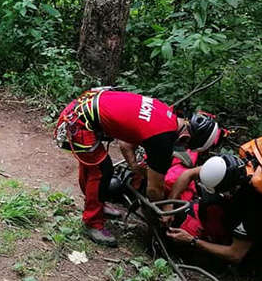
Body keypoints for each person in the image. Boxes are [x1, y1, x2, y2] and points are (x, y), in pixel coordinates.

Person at [56, 89, 220, 247]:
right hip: (78, 123)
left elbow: (126, 143)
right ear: (187, 137)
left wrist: (134, 167)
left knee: (97, 166)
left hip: (80, 108)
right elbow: (154, 190)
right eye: (186, 145)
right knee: (101, 170)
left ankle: (96, 204)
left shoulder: (164, 113)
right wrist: (162, 209)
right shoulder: (163, 140)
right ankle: (92, 223)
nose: (183, 148)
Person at [164, 154, 262, 271]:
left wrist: (192, 241)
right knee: (194, 211)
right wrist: (169, 204)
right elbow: (188, 174)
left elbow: (235, 254)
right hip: (228, 214)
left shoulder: (253, 205)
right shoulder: (227, 167)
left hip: (245, 246)